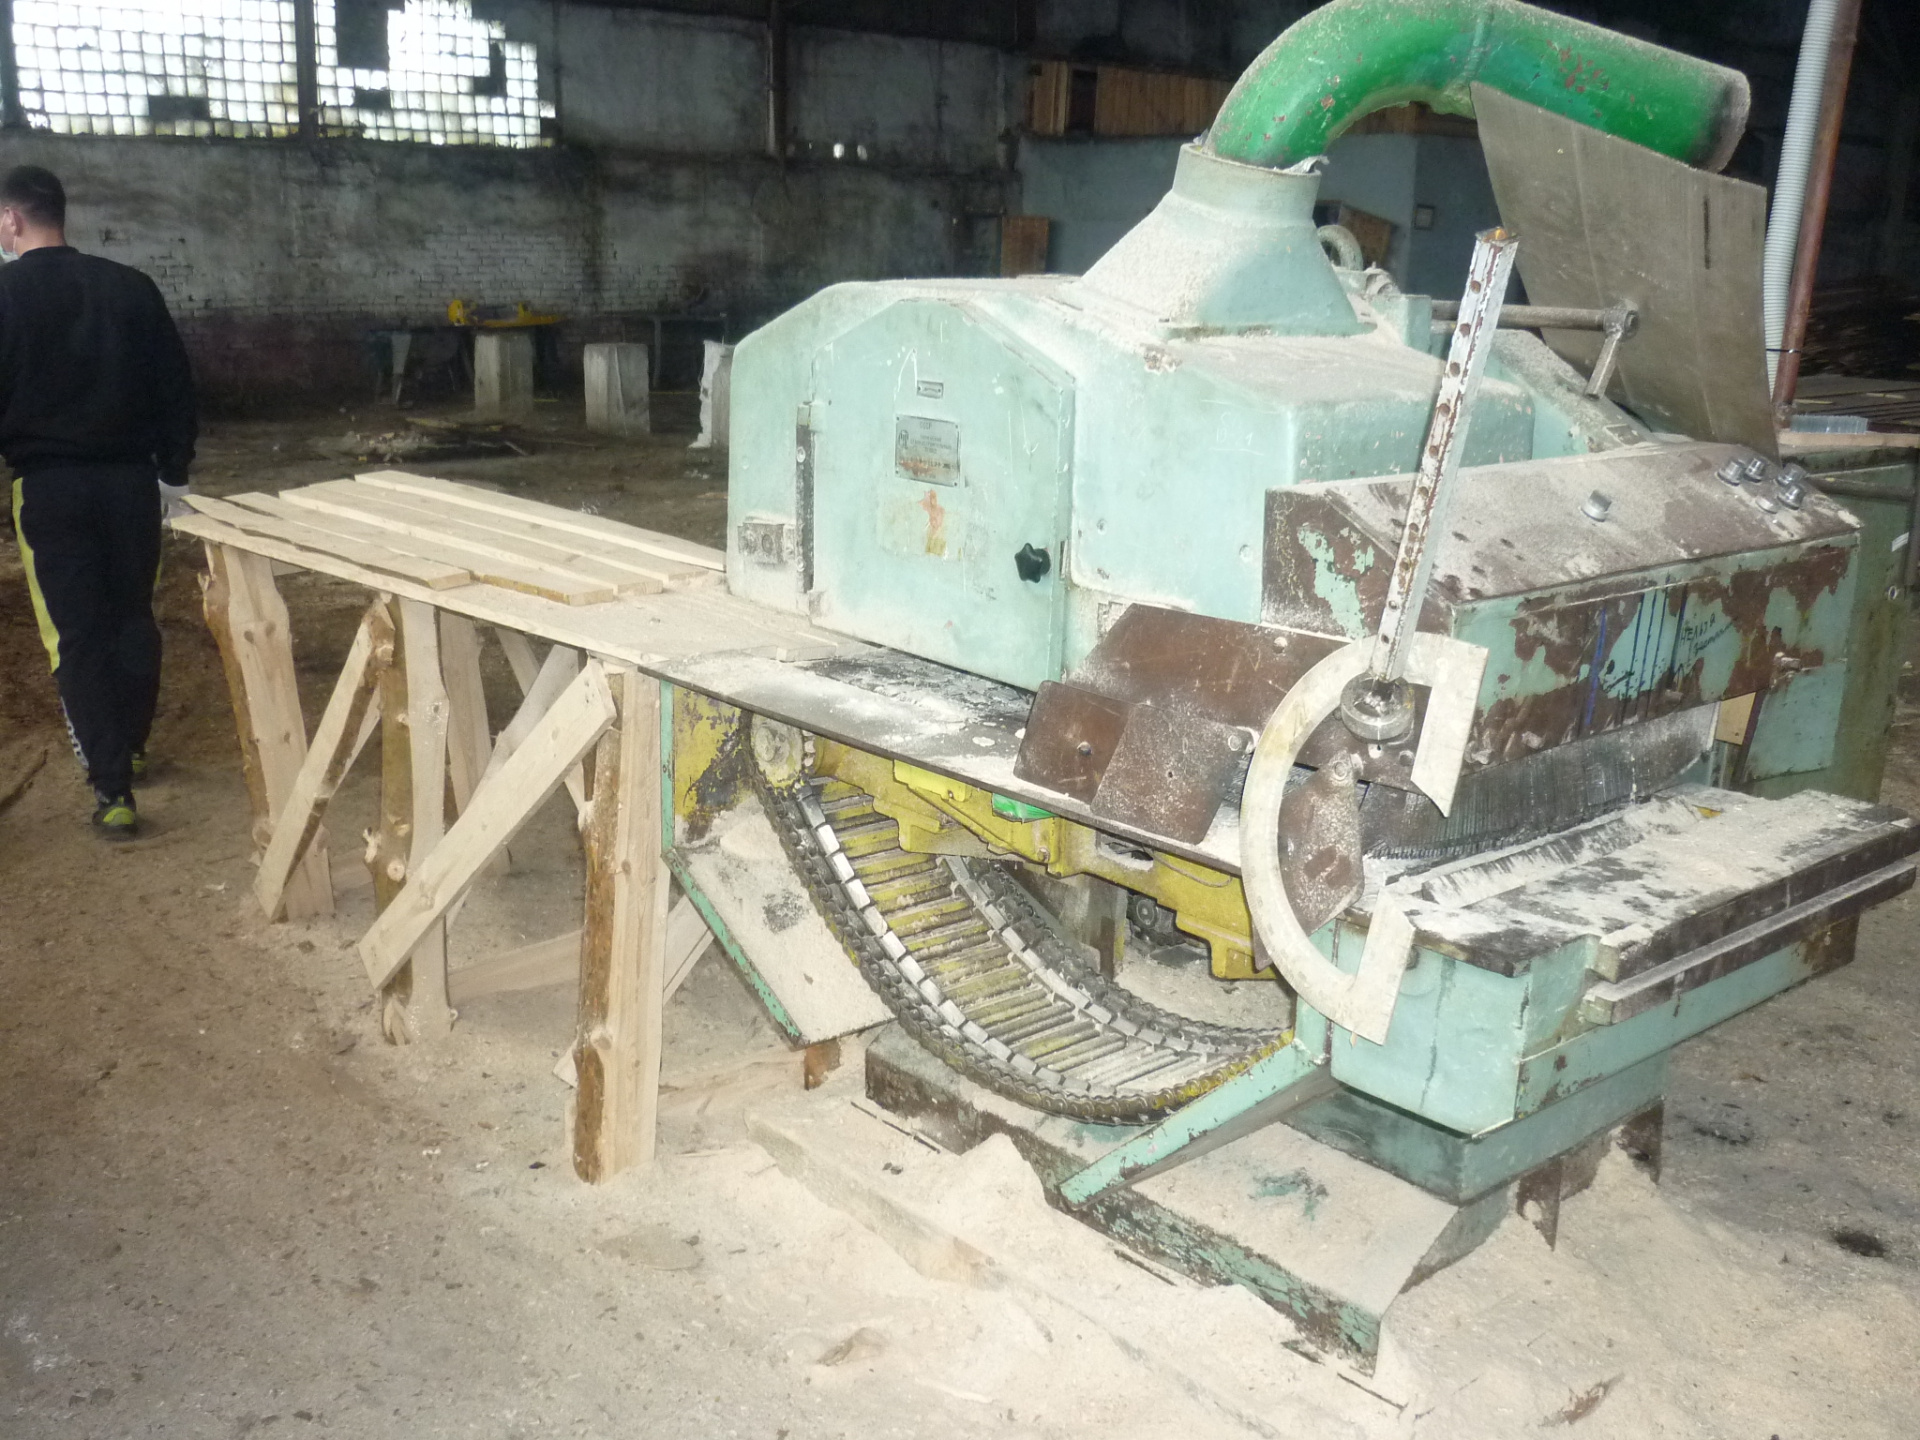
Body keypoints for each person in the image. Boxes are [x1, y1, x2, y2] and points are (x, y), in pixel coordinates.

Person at [0, 164, 196, 839]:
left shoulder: (4, 295)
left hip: (48, 489)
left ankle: (113, 787)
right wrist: (175, 473)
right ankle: (132, 745)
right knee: (132, 616)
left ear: (12, 219)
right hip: (131, 485)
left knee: (75, 633)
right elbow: (176, 386)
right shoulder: (131, 287)